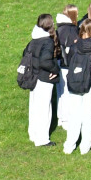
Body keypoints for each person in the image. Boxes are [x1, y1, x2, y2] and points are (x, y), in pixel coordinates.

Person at [63, 19, 91, 155]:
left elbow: (68, 62)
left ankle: (69, 145)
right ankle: (85, 146)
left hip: (75, 83)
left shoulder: (74, 46)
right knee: (89, 116)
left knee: (74, 115)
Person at [24, 14, 59, 147]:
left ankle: (33, 134)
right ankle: (42, 139)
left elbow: (25, 55)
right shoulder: (47, 41)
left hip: (33, 78)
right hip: (44, 78)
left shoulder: (33, 40)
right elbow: (45, 61)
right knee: (44, 109)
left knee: (34, 108)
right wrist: (55, 69)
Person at [55, 5, 80, 126]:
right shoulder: (70, 30)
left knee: (60, 92)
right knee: (66, 92)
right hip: (67, 64)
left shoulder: (59, 28)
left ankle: (61, 117)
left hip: (59, 63)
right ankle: (66, 119)